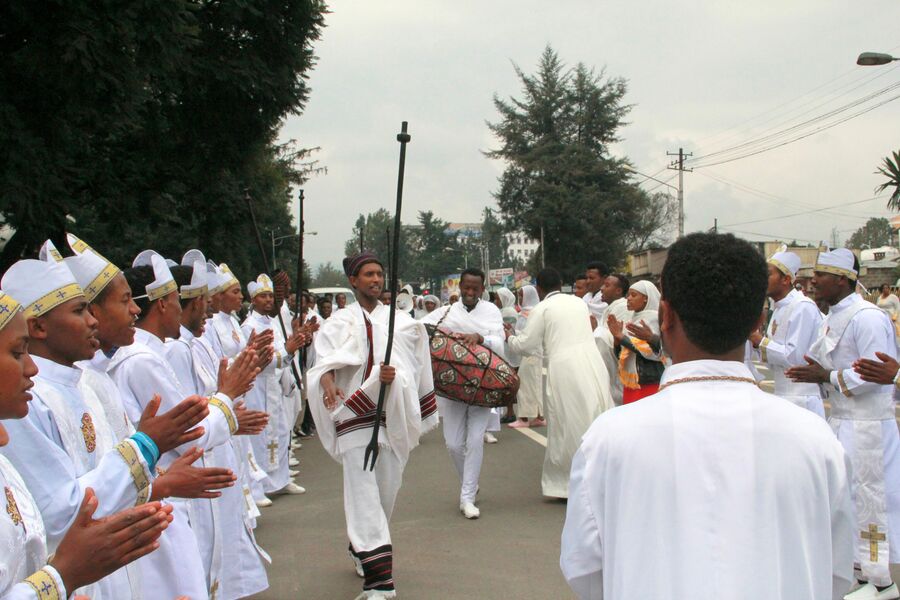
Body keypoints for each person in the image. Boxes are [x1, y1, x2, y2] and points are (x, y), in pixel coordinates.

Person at [561, 232, 855, 600]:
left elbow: (585, 570)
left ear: (665, 317)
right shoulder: (817, 441)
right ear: (756, 323)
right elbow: (837, 573)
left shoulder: (608, 439)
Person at [0, 289, 174, 600]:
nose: (32, 368)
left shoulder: (91, 381)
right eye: (17, 353)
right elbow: (59, 515)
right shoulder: (37, 399)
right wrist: (61, 577)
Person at [307, 252, 436, 600]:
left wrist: (396, 376)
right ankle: (381, 584)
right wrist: (328, 384)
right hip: (354, 415)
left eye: (379, 274)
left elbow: (417, 365)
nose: (376, 280)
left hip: (392, 415)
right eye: (368, 274)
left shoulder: (404, 323)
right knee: (363, 494)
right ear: (353, 280)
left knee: (385, 493)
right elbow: (323, 363)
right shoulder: (338, 322)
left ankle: (361, 545)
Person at [786, 248, 900, 600]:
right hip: (843, 420)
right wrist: (818, 373)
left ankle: (882, 581)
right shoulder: (834, 315)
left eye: (821, 276)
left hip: (868, 426)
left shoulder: (867, 317)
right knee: (846, 496)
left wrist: (827, 375)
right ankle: (858, 573)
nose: (813, 282)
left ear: (842, 279)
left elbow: (873, 372)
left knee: (871, 499)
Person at [506, 269, 613, 498]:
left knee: (567, 424)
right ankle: (601, 478)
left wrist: (509, 337)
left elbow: (526, 345)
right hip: (592, 361)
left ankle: (568, 484)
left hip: (565, 366)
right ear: (561, 283)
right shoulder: (578, 302)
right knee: (595, 415)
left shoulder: (542, 309)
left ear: (539, 288)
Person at [423, 268, 505, 519]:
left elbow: (500, 340)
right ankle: (469, 484)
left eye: (475, 289)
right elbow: (420, 329)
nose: (470, 293)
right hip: (452, 387)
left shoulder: (491, 311)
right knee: (453, 444)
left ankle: (467, 496)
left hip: (482, 385)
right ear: (459, 287)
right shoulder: (446, 311)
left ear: (482, 289)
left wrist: (479, 337)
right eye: (466, 288)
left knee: (475, 439)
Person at [241, 274, 307, 498]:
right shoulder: (248, 326)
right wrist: (287, 351)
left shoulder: (272, 322)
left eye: (270, 296)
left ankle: (281, 479)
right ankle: (260, 487)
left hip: (274, 385)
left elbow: (281, 355)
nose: (269, 300)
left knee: (280, 431)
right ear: (253, 300)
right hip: (257, 387)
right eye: (264, 296)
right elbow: (260, 359)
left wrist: (291, 348)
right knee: (260, 437)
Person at [748, 248, 826, 417]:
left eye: (768, 274)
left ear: (786, 279)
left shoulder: (802, 307)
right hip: (783, 394)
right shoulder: (778, 308)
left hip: (802, 397)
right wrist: (756, 344)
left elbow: (795, 358)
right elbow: (773, 364)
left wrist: (759, 341)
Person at [607, 280, 664, 403]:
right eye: (628, 295)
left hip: (647, 382)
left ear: (645, 298)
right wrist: (617, 341)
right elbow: (622, 355)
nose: (628, 298)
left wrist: (621, 337)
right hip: (632, 384)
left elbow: (650, 351)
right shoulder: (632, 318)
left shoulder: (653, 317)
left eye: (633, 295)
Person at [508, 285, 544, 428]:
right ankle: (538, 417)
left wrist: (510, 334)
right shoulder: (531, 312)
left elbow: (526, 335)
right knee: (534, 385)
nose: (520, 299)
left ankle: (523, 418)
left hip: (530, 352)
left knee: (524, 386)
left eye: (522, 296)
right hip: (531, 352)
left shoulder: (530, 313)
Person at [593, 273, 632, 405]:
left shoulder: (622, 307)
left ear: (618, 291)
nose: (602, 288)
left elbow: (614, 336)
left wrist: (595, 331)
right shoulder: (611, 308)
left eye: (607, 285)